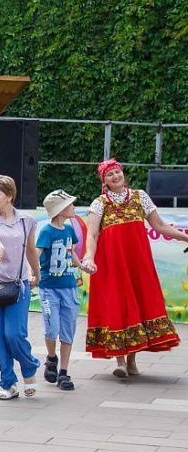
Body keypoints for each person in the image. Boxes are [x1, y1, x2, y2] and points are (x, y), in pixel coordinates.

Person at [80, 158, 188, 377]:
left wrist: (184, 237)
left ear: (123, 174)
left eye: (117, 172)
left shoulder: (140, 197)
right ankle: (120, 361)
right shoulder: (100, 203)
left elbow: (160, 225)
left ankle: (131, 361)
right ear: (104, 181)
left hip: (137, 263)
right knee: (118, 305)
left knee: (138, 304)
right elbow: (92, 234)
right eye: (110, 174)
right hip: (112, 264)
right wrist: (89, 257)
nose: (115, 176)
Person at [0, 175, 42, 399]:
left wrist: (36, 273)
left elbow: (30, 249)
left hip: (18, 285)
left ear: (10, 196)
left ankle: (29, 366)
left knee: (14, 334)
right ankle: (8, 382)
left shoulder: (26, 220)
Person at [37, 189, 82, 392]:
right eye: (70, 205)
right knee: (51, 328)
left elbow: (70, 253)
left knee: (67, 330)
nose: (73, 207)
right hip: (49, 289)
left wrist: (82, 266)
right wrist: (31, 272)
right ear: (60, 210)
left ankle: (63, 372)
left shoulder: (69, 230)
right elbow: (36, 252)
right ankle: (51, 358)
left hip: (69, 288)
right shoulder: (47, 232)